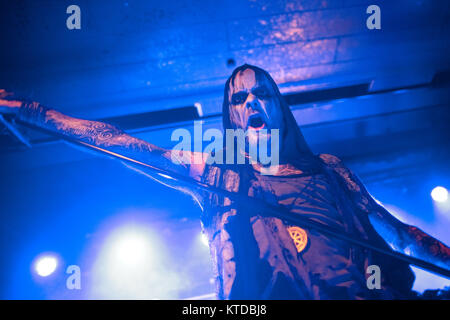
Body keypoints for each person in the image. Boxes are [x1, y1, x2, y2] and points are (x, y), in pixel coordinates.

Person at [0, 64, 449, 299]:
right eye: (241, 98)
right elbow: (124, 144)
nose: (252, 101)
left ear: (278, 106)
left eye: (262, 93)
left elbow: (400, 234)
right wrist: (35, 114)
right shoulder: (217, 172)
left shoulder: (329, 169)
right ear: (233, 115)